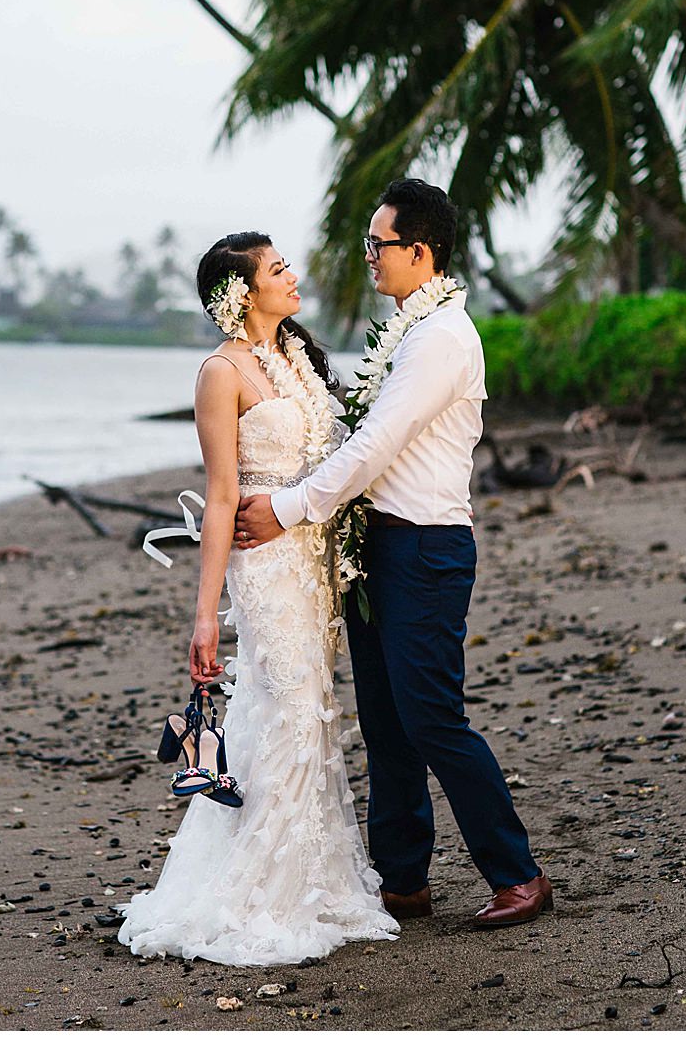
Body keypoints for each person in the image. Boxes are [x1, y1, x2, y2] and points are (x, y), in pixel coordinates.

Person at [235, 180, 552, 929]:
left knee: (433, 717)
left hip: (427, 550)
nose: (368, 257)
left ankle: (518, 875)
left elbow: (374, 448)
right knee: (384, 721)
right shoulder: (412, 331)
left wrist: (287, 508)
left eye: (379, 245)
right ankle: (403, 879)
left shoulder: (443, 338)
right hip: (377, 545)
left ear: (420, 252)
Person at [117, 233, 398, 967]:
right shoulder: (221, 372)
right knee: (292, 709)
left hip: (315, 566)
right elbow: (218, 499)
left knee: (309, 713)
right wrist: (205, 613)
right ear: (241, 293)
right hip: (266, 568)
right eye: (277, 270)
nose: (292, 276)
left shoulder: (295, 360)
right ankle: (260, 897)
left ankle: (313, 878)